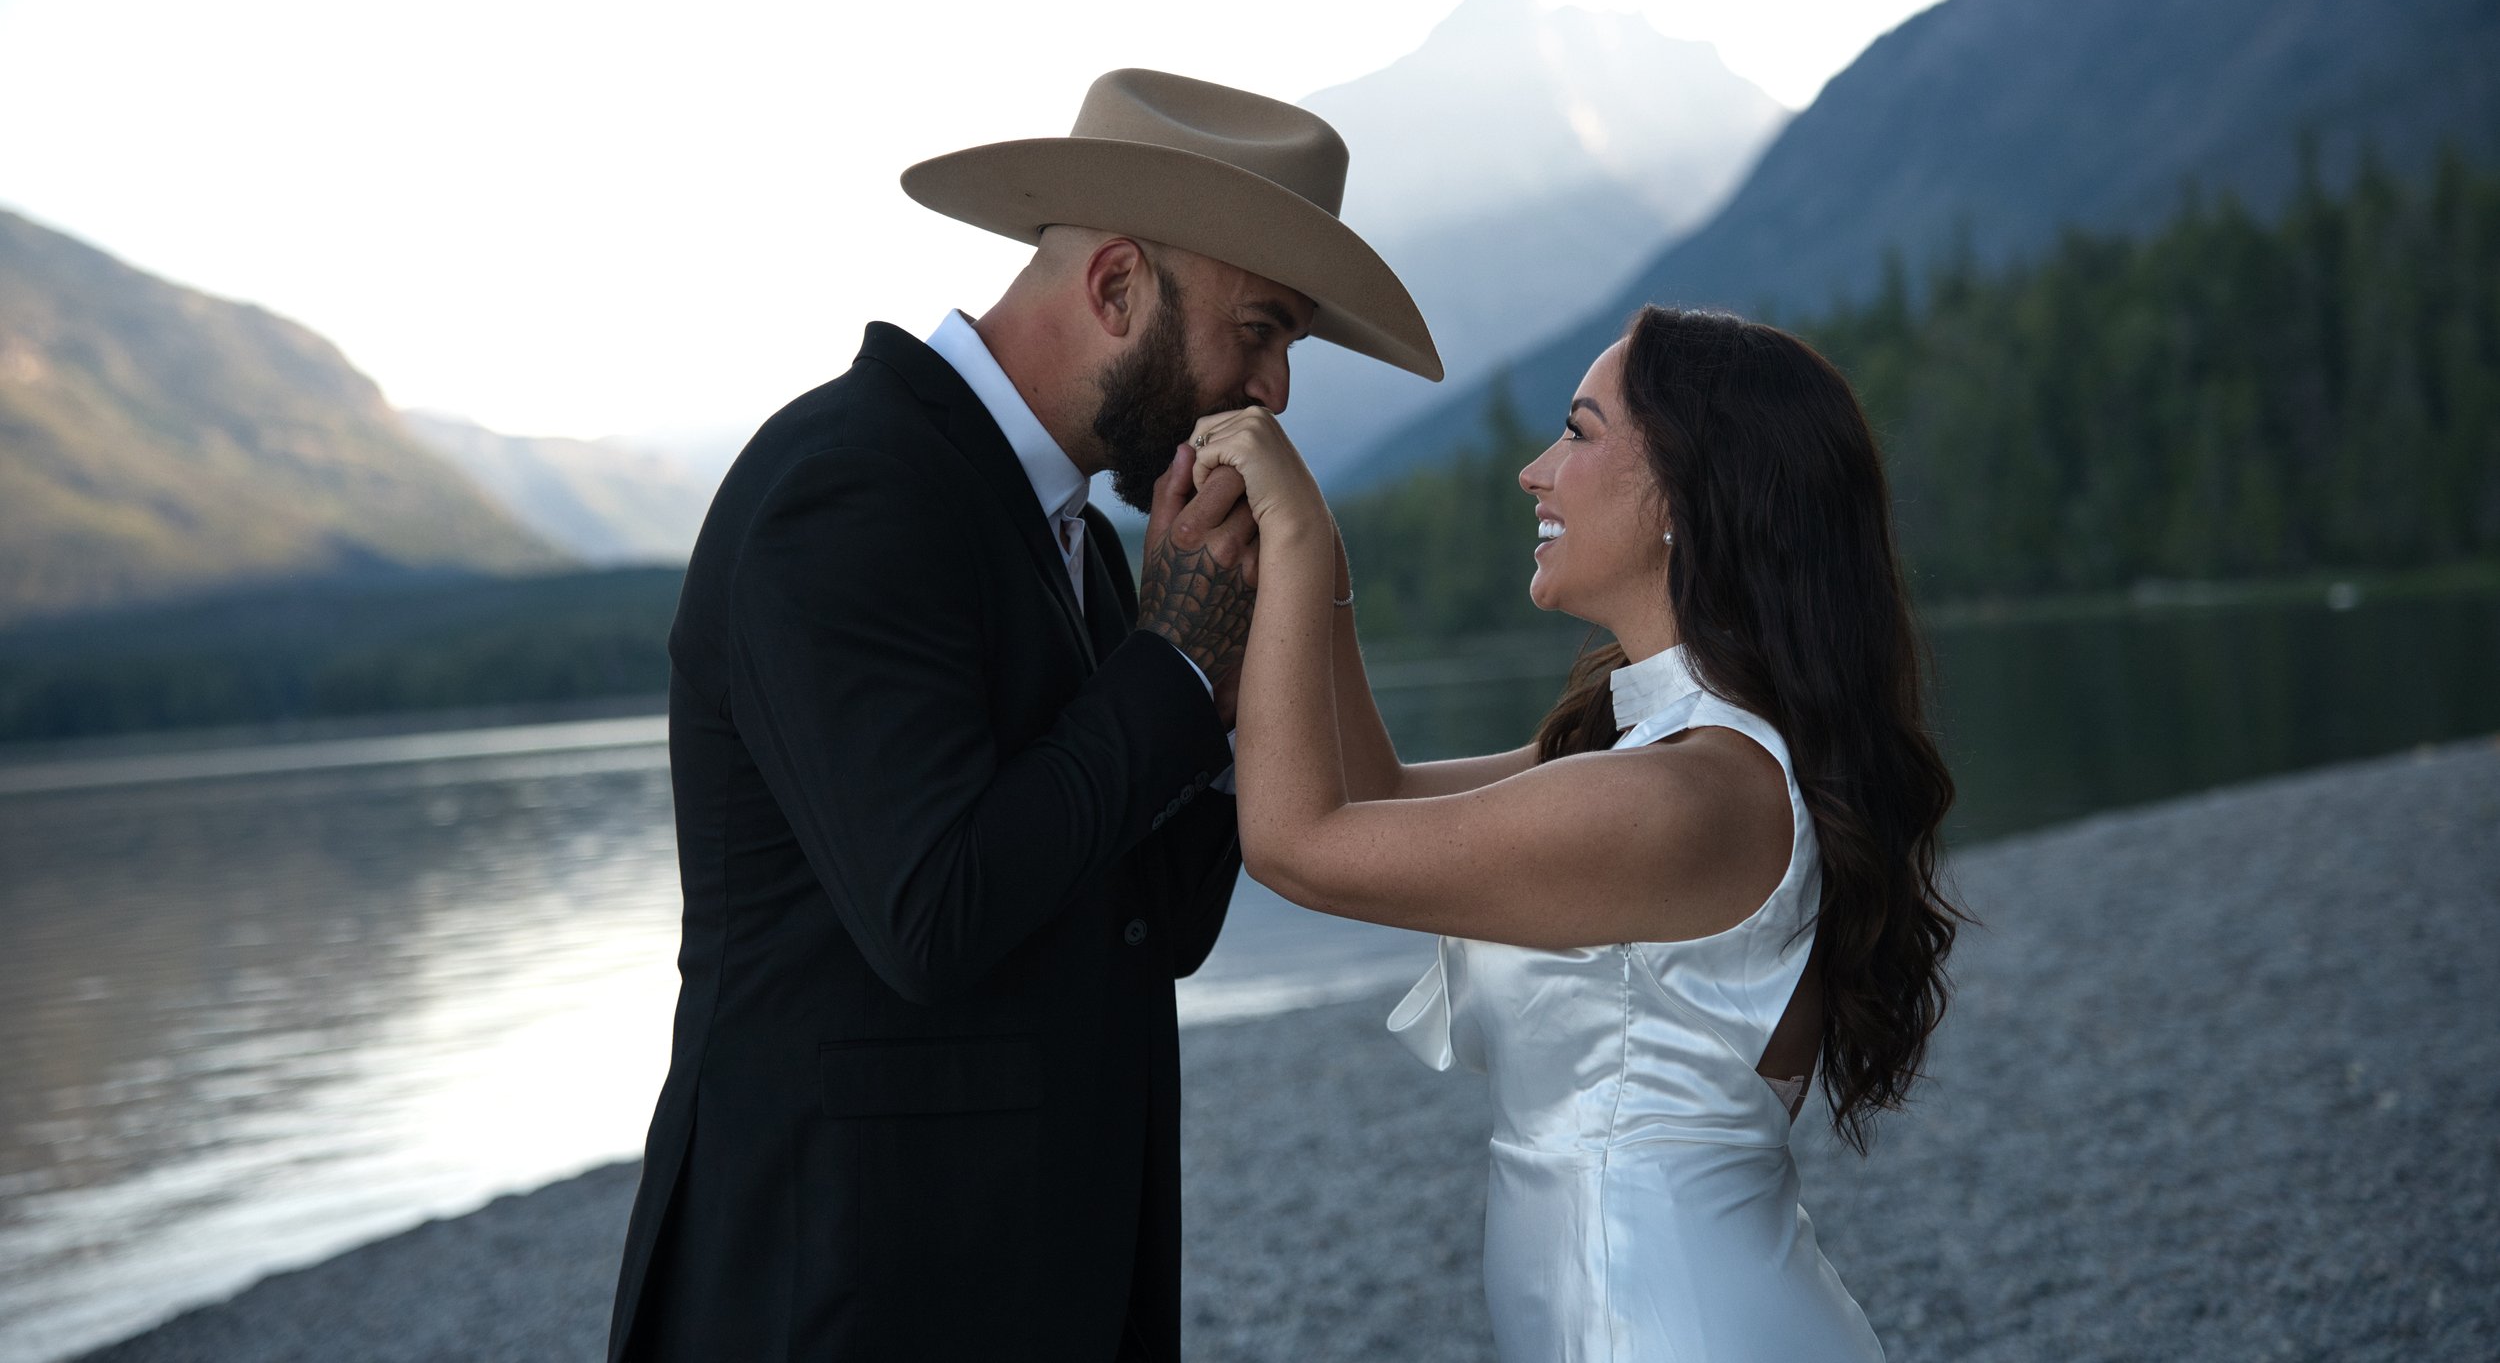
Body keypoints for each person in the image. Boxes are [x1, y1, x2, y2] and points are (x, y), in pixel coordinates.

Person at [605, 68, 1440, 1362]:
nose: (1274, 389)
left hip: (1027, 1282)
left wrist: (1222, 687)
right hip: (839, 1296)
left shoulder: (1085, 544)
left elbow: (1156, 922)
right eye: (1261, 329)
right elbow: (933, 910)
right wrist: (1172, 664)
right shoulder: (852, 484)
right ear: (1116, 287)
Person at [1185, 304, 1962, 1362]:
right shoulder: (1656, 747)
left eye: (1578, 432)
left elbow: (1297, 844)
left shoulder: (1687, 793)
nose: (1534, 471)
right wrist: (1328, 579)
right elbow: (1378, 796)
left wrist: (1294, 541)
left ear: (1684, 495)